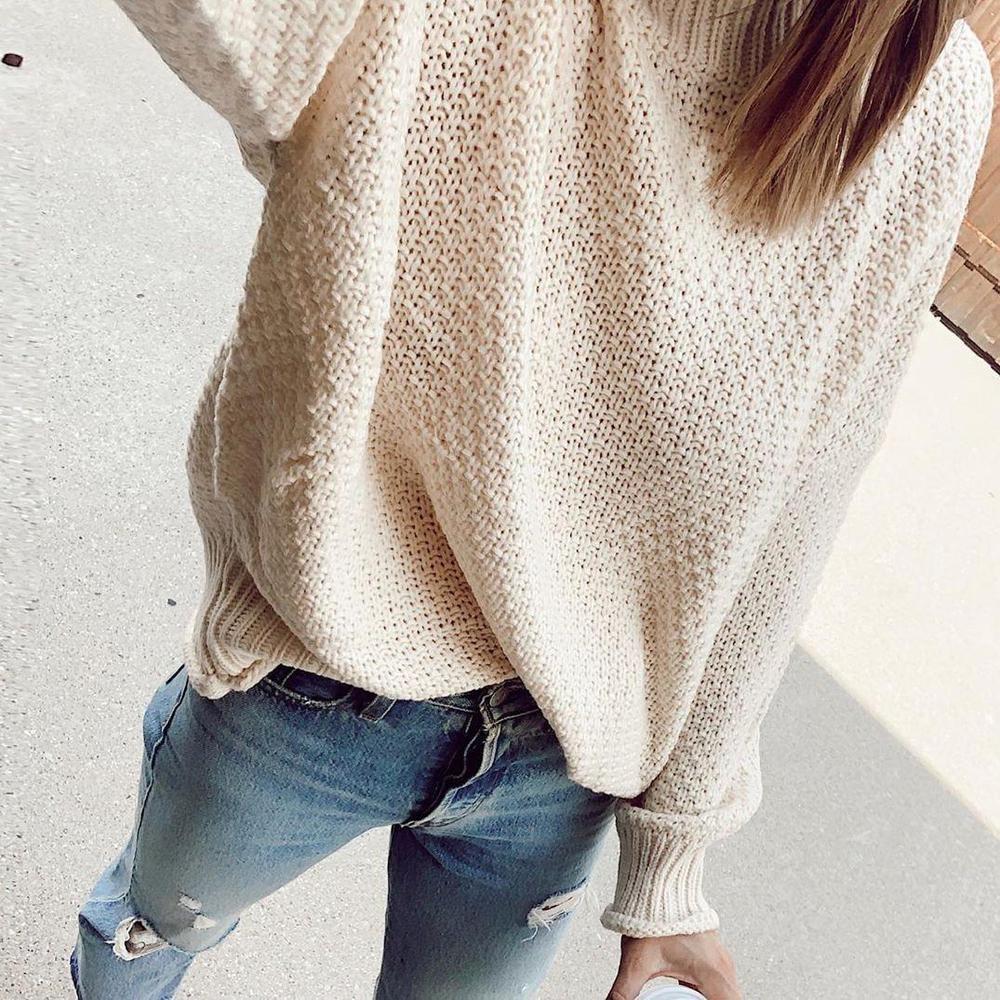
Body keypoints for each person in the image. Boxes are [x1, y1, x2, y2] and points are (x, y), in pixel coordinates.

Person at [71, 1, 993, 998]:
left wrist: (672, 857)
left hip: (566, 762)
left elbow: (792, 522)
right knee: (149, 926)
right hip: (307, 680)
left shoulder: (925, 95)